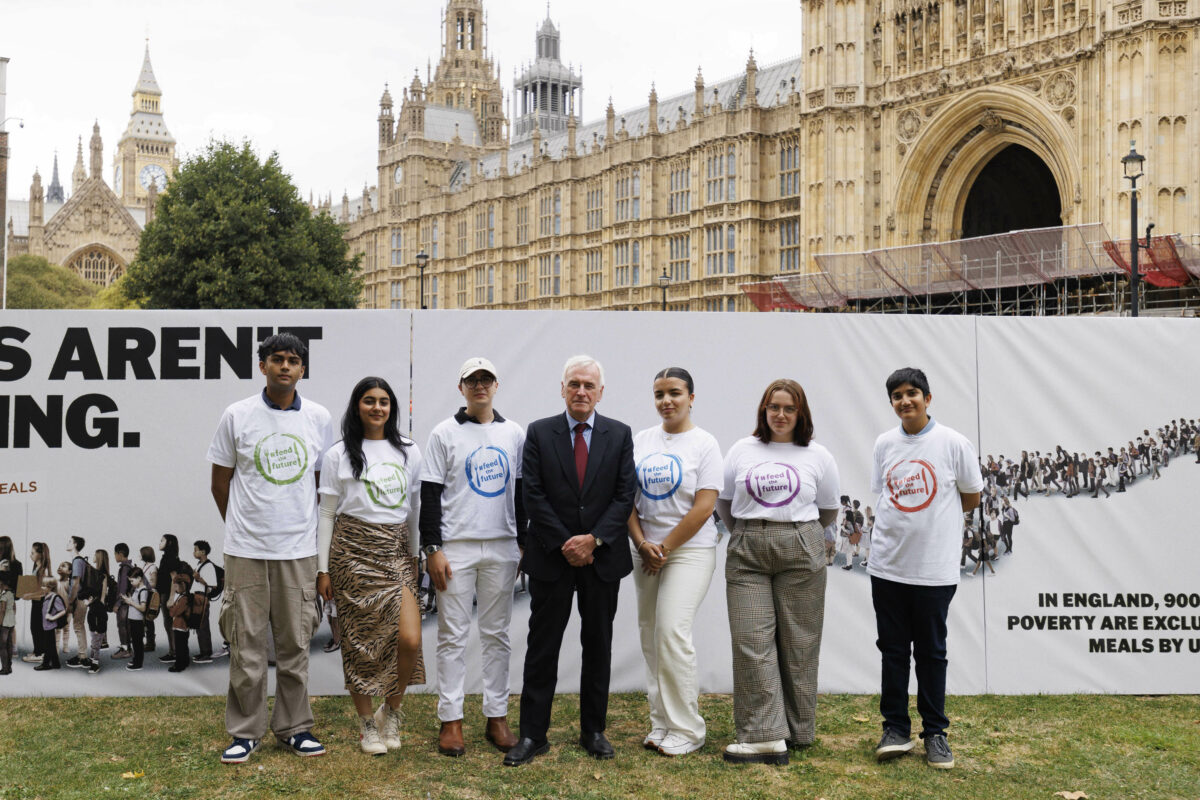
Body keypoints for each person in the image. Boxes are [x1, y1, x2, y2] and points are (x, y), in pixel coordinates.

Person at [504, 355, 636, 767]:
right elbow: (533, 496)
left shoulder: (620, 434)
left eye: (589, 385)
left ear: (601, 393)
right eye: (574, 384)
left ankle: (593, 730)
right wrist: (567, 542)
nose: (581, 391)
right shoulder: (540, 433)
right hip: (552, 558)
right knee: (543, 647)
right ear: (562, 388)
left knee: (598, 644)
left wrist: (593, 540)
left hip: (602, 559)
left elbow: (623, 495)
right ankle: (532, 735)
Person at [208, 332, 333, 764]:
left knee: (296, 644)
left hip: (298, 551)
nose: (285, 366)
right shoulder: (237, 415)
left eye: (293, 360)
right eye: (276, 359)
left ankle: (294, 727)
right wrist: (246, 527)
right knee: (246, 646)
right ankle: (245, 732)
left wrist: (304, 537)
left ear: (302, 370)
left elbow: (320, 487)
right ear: (262, 366)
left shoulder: (318, 417)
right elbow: (219, 482)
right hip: (245, 549)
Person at [716, 378, 841, 765]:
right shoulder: (742, 449)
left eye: (789, 408)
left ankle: (798, 728)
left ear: (800, 413)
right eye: (774, 407)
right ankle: (764, 735)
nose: (781, 415)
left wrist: (798, 536)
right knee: (752, 640)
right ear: (763, 410)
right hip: (749, 549)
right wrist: (752, 533)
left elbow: (829, 510)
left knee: (800, 642)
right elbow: (723, 502)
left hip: (801, 547)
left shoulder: (817, 455)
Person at [869, 367, 983, 770]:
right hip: (887, 567)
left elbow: (971, 496)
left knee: (932, 654)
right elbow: (884, 496)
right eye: (897, 395)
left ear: (928, 398)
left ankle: (935, 733)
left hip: (933, 570)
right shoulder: (885, 443)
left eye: (912, 393)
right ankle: (895, 729)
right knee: (893, 652)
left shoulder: (953, 443)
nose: (905, 401)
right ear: (892, 403)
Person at [421, 357, 525, 757]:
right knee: (452, 635)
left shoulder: (513, 433)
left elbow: (520, 492)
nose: (479, 386)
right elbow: (429, 494)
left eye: (486, 379)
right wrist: (433, 548)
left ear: (496, 385)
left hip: (501, 545)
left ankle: (497, 716)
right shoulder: (444, 433)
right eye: (472, 380)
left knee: (497, 635)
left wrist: (523, 543)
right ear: (461, 387)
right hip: (456, 549)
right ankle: (451, 720)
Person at [316, 376, 424, 756]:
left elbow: (414, 512)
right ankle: (366, 727)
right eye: (369, 401)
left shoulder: (409, 450)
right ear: (356, 406)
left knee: (409, 638)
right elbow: (327, 513)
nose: (377, 407)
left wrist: (414, 556)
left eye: (383, 401)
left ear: (391, 407)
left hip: (395, 550)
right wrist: (322, 569)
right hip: (351, 552)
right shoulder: (339, 454)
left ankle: (390, 710)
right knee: (359, 642)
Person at [626, 367, 721, 757]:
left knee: (671, 631)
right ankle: (662, 722)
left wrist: (663, 547)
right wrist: (643, 542)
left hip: (689, 551)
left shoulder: (705, 443)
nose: (667, 401)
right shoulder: (640, 440)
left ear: (691, 397)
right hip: (645, 550)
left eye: (675, 393)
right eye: (659, 394)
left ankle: (688, 729)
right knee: (650, 635)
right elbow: (625, 501)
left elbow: (704, 507)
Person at [190, 541, 219, 664]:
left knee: (203, 626)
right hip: (197, 597)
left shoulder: (208, 566)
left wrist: (198, 578)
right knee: (198, 625)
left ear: (203, 552)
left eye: (196, 549)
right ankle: (203, 652)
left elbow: (213, 585)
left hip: (202, 598)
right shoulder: (200, 565)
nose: (194, 552)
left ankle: (206, 654)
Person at [21, 542, 50, 664]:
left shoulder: (45, 570)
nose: (30, 555)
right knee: (34, 627)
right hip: (36, 602)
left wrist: (29, 595)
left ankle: (40, 654)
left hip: (41, 602)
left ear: (40, 554)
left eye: (33, 553)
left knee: (38, 628)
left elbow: (44, 591)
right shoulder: (36, 567)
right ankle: (37, 650)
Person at [65, 537, 91, 669]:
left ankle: (82, 657)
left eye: (70, 541)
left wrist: (70, 601)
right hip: (82, 597)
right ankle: (82, 655)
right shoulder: (80, 561)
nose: (67, 542)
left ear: (75, 544)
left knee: (78, 626)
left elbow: (75, 583)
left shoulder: (77, 561)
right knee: (79, 626)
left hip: (79, 598)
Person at [85, 549, 112, 675]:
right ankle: (92, 660)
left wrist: (93, 602)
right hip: (94, 608)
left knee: (96, 638)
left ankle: (95, 663)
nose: (93, 557)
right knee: (93, 637)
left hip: (97, 610)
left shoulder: (101, 575)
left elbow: (102, 596)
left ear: (99, 558)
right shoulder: (97, 573)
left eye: (95, 555)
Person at [155, 535, 182, 663]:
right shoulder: (167, 557)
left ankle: (174, 652)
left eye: (162, 540)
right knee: (168, 623)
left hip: (167, 594)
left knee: (169, 623)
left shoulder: (169, 558)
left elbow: (174, 578)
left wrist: (171, 598)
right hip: (164, 593)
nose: (160, 542)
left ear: (169, 543)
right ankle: (174, 651)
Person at [167, 564, 194, 673]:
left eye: (176, 586)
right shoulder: (184, 597)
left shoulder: (183, 599)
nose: (175, 589)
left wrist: (171, 607)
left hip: (180, 626)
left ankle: (179, 665)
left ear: (183, 585)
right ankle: (185, 661)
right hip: (183, 627)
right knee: (184, 646)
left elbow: (173, 613)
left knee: (180, 647)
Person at [35, 577, 66, 671]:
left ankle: (45, 664)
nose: (42, 587)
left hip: (50, 625)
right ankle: (56, 663)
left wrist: (52, 618)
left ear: (50, 587)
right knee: (51, 645)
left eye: (44, 586)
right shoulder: (47, 596)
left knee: (48, 646)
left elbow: (63, 611)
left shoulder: (54, 598)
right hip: (46, 625)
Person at [123, 567, 150, 671]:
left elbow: (143, 608)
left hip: (138, 621)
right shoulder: (137, 589)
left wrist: (130, 602)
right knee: (135, 642)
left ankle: (138, 664)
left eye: (132, 581)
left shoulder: (143, 591)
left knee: (138, 643)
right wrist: (129, 600)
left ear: (139, 578)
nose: (131, 583)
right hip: (133, 619)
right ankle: (136, 659)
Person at [111, 544, 133, 660]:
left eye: (115, 554)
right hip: (127, 603)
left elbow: (123, 588)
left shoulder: (124, 568)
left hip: (123, 604)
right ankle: (127, 648)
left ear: (120, 554)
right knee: (126, 626)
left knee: (122, 625)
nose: (114, 556)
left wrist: (117, 604)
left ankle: (125, 650)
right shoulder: (128, 566)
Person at [139, 546, 159, 652]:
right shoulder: (145, 566)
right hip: (145, 594)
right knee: (144, 620)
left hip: (150, 596)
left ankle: (151, 643)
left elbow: (153, 583)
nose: (139, 555)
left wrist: (141, 583)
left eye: (140, 553)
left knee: (148, 619)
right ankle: (147, 642)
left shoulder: (152, 567)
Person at [0, 572, 14, 675]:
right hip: (11, 621)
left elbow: (2, 610)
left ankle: (5, 668)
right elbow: (14, 608)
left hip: (4, 622)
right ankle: (9, 667)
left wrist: (0, 622)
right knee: (9, 645)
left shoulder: (4, 596)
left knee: (2, 646)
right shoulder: (11, 594)